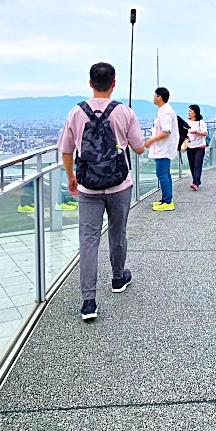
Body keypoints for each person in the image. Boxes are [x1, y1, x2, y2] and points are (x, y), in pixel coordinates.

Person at [58, 62, 146, 322]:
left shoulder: (76, 112)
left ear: (90, 83)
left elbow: (65, 149)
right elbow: (139, 148)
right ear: (114, 83)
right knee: (118, 232)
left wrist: (71, 177)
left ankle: (88, 302)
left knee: (88, 241)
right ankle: (118, 278)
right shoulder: (124, 111)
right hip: (119, 184)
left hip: (88, 186)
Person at [146, 87, 178, 211]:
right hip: (162, 148)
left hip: (164, 149)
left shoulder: (166, 112)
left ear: (159, 97)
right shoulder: (163, 110)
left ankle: (168, 201)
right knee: (165, 173)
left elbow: (166, 131)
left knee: (162, 173)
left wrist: (150, 140)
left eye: (154, 95)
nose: (153, 97)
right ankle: (166, 199)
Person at [186, 104, 207, 190]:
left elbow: (205, 133)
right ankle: (197, 180)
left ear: (195, 112)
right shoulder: (187, 122)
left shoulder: (200, 122)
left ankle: (195, 183)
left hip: (200, 146)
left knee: (197, 165)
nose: (189, 113)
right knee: (192, 165)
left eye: (190, 111)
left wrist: (196, 132)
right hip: (190, 146)